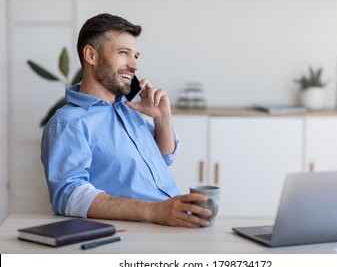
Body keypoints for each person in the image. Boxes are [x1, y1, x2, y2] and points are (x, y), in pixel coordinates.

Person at [41, 13, 211, 227]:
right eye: (124, 53)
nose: (134, 65)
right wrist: (155, 211)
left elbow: (164, 157)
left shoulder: (128, 109)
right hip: (139, 233)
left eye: (136, 56)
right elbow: (68, 196)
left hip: (174, 222)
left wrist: (163, 118)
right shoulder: (69, 123)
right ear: (91, 56)